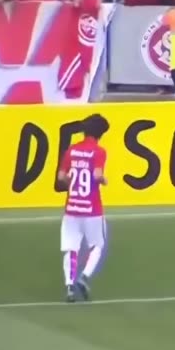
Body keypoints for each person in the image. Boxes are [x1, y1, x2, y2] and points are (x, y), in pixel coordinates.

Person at [56, 113, 110, 303]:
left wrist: (73, 184)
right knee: (97, 245)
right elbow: (97, 175)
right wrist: (104, 181)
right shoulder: (99, 152)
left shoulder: (71, 150)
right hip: (92, 208)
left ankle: (69, 286)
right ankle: (84, 277)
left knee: (71, 248)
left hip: (72, 207)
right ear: (100, 133)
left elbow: (61, 177)